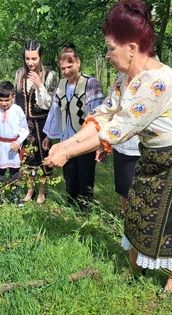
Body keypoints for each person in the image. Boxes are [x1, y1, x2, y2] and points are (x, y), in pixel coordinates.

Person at [45, 0, 172, 293]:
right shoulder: (125, 79)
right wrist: (66, 143)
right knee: (138, 209)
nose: (107, 55)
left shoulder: (157, 82)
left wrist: (68, 153)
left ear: (131, 48)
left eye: (110, 48)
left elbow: (117, 130)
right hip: (154, 153)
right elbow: (103, 115)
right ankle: (137, 265)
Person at [43, 43, 139, 210]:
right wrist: (49, 136)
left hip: (86, 138)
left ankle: (85, 210)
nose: (66, 71)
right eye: (63, 68)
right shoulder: (61, 85)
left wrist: (99, 145)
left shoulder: (90, 84)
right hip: (67, 137)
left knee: (85, 175)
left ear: (78, 63)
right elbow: (55, 111)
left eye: (70, 66)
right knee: (70, 175)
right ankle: (70, 206)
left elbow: (98, 113)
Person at [15, 39, 58, 204]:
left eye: (34, 58)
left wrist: (40, 85)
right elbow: (15, 99)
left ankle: (41, 191)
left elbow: (50, 104)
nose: (30, 62)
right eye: (27, 58)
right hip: (25, 124)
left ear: (41, 57)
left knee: (43, 159)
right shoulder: (19, 74)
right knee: (28, 159)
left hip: (42, 124)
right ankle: (30, 189)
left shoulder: (49, 75)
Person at [0, 81, 29, 207]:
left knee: (15, 174)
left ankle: (15, 197)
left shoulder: (17, 110)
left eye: (7, 100)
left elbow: (24, 129)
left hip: (13, 147)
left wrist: (18, 142)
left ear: (13, 97)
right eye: (0, 100)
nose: (3, 103)